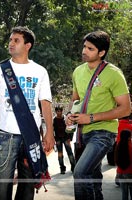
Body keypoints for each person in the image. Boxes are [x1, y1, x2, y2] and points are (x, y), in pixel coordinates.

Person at [0, 26, 55, 200]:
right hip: (5, 135)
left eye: (16, 40)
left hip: (31, 136)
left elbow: (45, 104)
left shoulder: (40, 71)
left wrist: (49, 133)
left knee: (27, 186)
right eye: (10, 40)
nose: (11, 43)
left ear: (28, 45)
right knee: (0, 187)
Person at [66, 30, 131, 200]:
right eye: (84, 47)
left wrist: (92, 117)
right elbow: (75, 100)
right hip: (82, 134)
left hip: (103, 132)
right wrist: (69, 115)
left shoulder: (113, 73)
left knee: (80, 173)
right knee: (93, 181)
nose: (84, 51)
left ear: (101, 53)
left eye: (90, 48)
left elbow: (126, 109)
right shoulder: (78, 71)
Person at [53, 106, 75, 174]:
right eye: (57, 111)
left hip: (66, 138)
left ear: (62, 111)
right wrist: (54, 139)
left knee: (70, 153)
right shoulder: (54, 120)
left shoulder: (66, 118)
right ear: (56, 112)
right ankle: (62, 168)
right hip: (58, 139)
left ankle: (73, 167)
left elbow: (71, 128)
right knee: (60, 155)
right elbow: (52, 130)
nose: (59, 112)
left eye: (60, 111)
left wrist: (70, 138)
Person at [115, 129, 132, 200]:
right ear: (129, 137)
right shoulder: (131, 146)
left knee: (124, 194)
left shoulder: (118, 145)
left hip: (120, 172)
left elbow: (116, 159)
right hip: (130, 172)